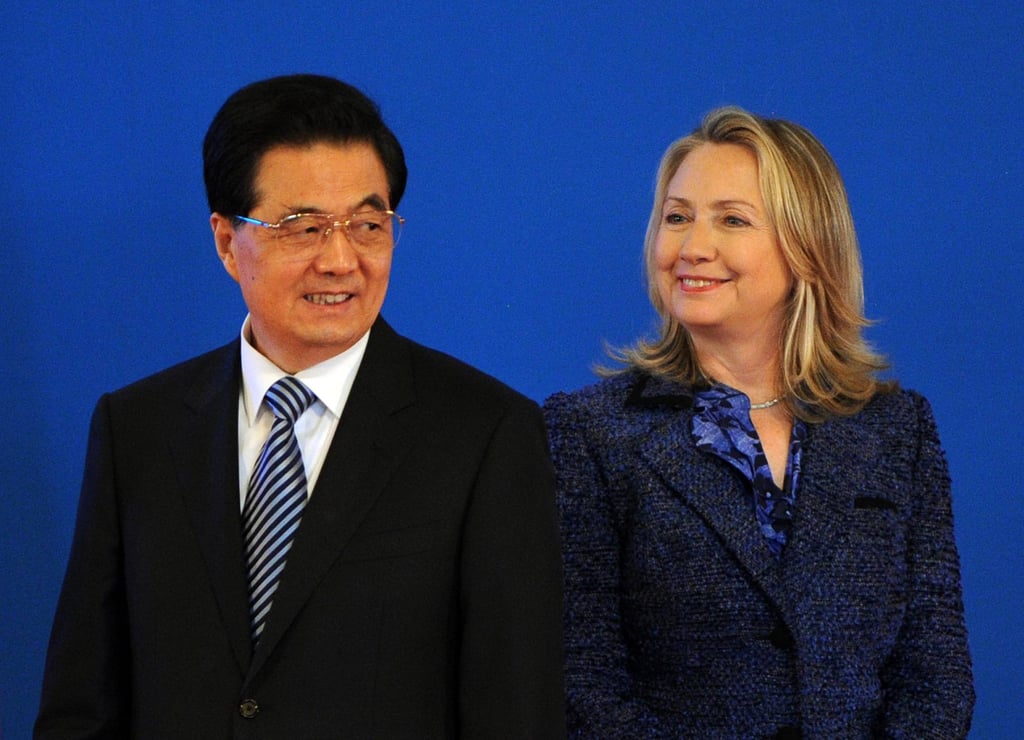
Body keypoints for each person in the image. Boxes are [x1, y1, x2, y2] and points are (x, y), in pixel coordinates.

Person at [35, 74, 564, 738]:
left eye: (369, 225)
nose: (341, 259)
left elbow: (515, 710)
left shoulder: (486, 434)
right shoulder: (136, 429)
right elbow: (82, 703)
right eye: (304, 227)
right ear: (228, 243)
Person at [544, 106, 974, 738]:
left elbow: (935, 676)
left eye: (732, 220)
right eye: (677, 217)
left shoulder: (897, 430)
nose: (692, 248)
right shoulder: (588, 432)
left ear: (807, 248)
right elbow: (582, 682)